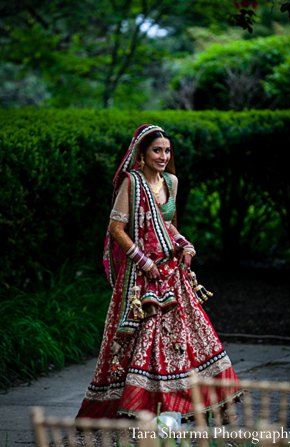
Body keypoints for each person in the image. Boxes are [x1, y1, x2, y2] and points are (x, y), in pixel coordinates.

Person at [76, 124, 242, 420]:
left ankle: (189, 403)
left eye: (167, 150)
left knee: (191, 336)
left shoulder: (171, 182)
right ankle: (141, 406)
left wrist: (185, 244)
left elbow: (167, 225)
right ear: (142, 153)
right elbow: (116, 229)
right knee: (143, 340)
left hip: (171, 273)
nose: (163, 156)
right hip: (141, 281)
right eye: (157, 150)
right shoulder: (132, 183)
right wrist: (144, 261)